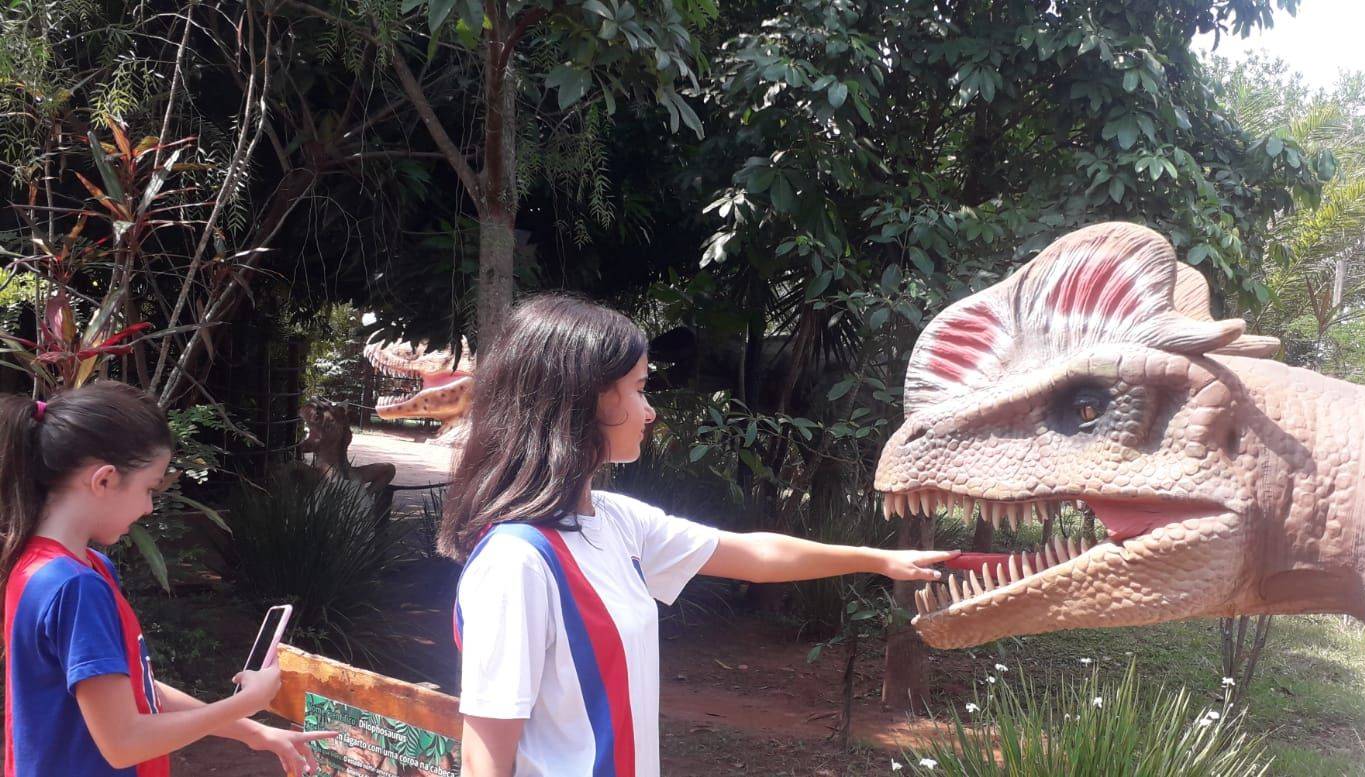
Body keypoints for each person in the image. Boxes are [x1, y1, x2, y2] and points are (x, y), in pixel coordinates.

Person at [442, 294, 958, 777]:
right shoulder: (517, 562)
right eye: (639, 388)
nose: (650, 411)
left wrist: (878, 559)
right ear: (584, 400)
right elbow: (484, 757)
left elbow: (754, 554)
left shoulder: (616, 521)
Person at [0, 382, 334, 776]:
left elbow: (137, 690)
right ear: (103, 480)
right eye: (149, 488)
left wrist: (254, 732)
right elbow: (123, 743)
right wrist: (246, 702)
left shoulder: (46, 565)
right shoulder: (75, 587)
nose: (148, 507)